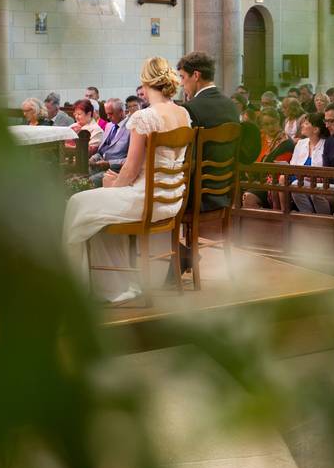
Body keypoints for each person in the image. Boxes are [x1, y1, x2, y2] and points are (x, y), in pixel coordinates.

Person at [63, 57, 191, 303]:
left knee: (78, 204)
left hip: (145, 199)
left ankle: (91, 286)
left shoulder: (144, 117)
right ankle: (113, 281)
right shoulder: (183, 114)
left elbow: (131, 169)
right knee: (95, 213)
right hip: (171, 198)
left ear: (145, 83)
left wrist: (113, 185)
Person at [177, 50, 239, 211]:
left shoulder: (190, 109)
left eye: (183, 77)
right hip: (224, 191)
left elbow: (185, 157)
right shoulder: (231, 106)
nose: (181, 84)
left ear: (196, 75)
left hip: (194, 196)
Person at [241, 107, 296, 209]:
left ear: (279, 121)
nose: (271, 127)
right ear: (261, 126)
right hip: (251, 179)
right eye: (266, 124)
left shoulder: (286, 143)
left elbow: (277, 169)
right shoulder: (259, 137)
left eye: (273, 123)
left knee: (248, 197)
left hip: (271, 183)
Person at [290, 113, 331, 214]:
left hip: (320, 182)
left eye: (306, 123)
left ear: (316, 129)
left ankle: (323, 219)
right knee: (295, 184)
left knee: (305, 188)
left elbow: (328, 169)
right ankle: (307, 215)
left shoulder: (327, 144)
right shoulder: (300, 143)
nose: (302, 125)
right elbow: (292, 165)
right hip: (299, 180)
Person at [88, 98, 131, 187]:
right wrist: (94, 158)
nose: (108, 117)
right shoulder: (109, 125)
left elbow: (131, 159)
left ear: (121, 112)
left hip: (117, 169)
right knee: (78, 175)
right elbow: (102, 150)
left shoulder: (131, 128)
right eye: (107, 114)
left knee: (90, 181)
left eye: (110, 114)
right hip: (100, 164)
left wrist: (109, 163)